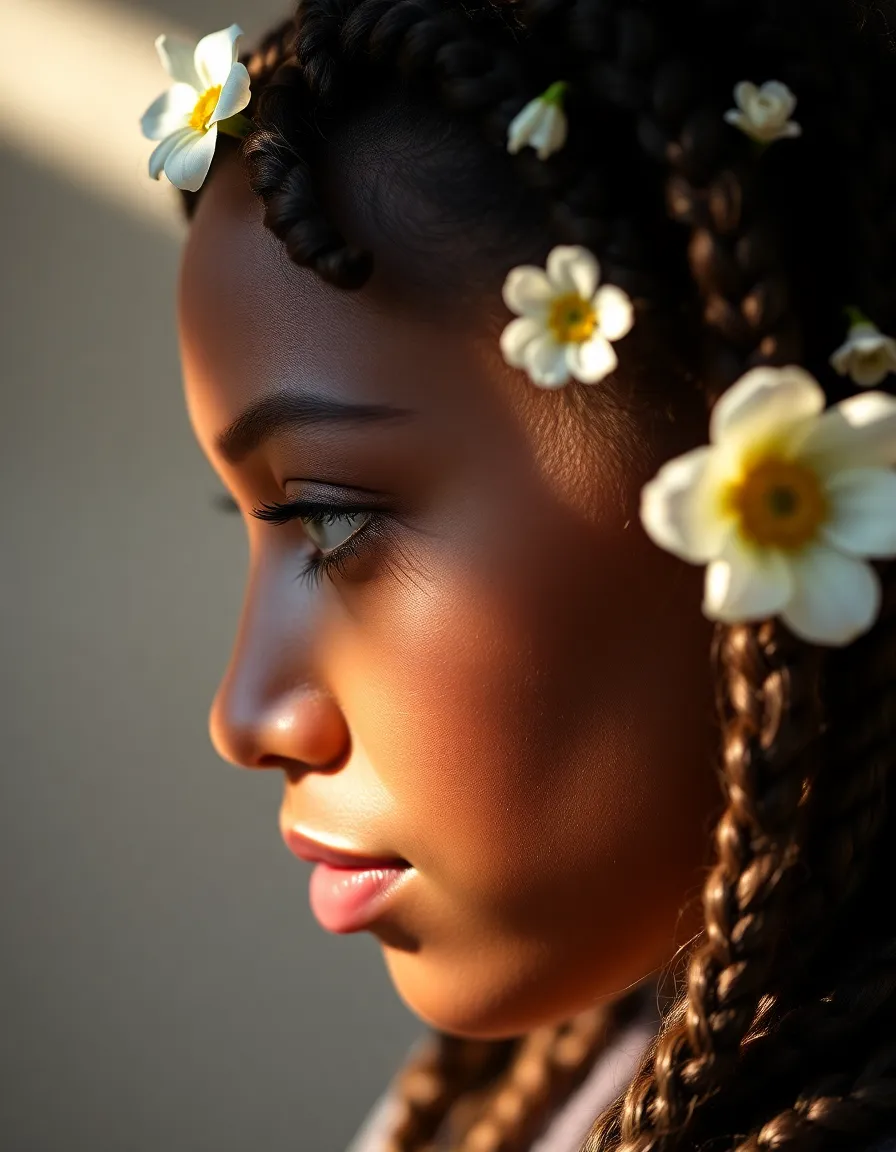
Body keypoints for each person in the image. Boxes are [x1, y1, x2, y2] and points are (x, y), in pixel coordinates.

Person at [140, 1, 896, 1148]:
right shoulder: (569, 1078)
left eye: (332, 524)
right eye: (252, 521)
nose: (245, 717)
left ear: (763, 458)